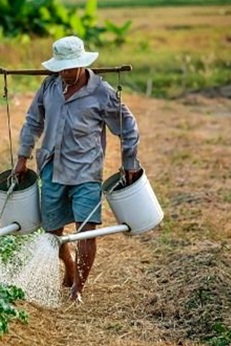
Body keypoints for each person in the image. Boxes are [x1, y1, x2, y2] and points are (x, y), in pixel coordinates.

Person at [13, 35, 142, 303]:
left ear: (83, 64)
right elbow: (32, 122)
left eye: (71, 68)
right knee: (53, 233)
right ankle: (69, 266)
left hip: (86, 171)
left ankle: (78, 289)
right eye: (62, 68)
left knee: (87, 230)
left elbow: (128, 127)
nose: (66, 73)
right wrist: (22, 156)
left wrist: (129, 162)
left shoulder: (102, 93)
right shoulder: (49, 87)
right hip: (52, 168)